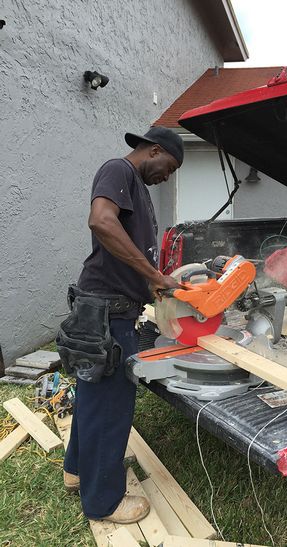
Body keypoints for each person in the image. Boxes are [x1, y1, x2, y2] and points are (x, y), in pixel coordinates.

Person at [61, 126, 183, 524]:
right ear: (154, 150)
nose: (169, 175)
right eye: (170, 166)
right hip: (108, 314)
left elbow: (126, 248)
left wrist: (153, 282)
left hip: (109, 310)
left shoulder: (135, 188)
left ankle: (77, 472)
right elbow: (101, 221)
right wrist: (153, 274)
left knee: (93, 398)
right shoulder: (118, 170)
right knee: (112, 406)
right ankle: (104, 502)